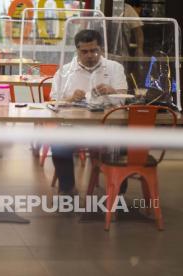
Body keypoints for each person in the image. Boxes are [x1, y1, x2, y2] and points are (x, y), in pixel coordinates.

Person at [50, 29, 128, 195]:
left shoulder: (115, 68)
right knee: (58, 144)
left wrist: (112, 91)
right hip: (73, 127)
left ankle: (118, 192)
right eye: (84, 51)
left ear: (101, 49)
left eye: (94, 50)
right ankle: (68, 189)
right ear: (77, 50)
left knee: (122, 145)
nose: (90, 55)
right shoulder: (64, 72)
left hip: (108, 127)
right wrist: (70, 98)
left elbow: (124, 100)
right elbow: (52, 103)